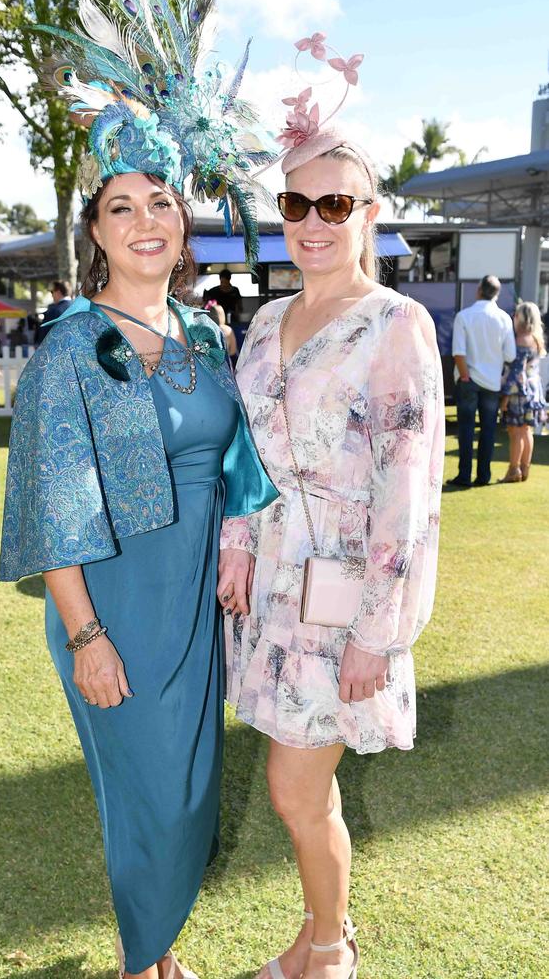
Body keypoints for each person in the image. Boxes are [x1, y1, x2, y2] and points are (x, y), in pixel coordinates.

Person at [0, 0, 277, 977]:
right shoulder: (70, 350)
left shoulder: (203, 334)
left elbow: (235, 456)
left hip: (192, 608)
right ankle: (140, 962)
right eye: (123, 206)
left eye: (160, 200)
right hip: (109, 604)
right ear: (98, 230)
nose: (146, 219)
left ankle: (156, 953)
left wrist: (238, 544)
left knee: (191, 792)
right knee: (147, 789)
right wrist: (84, 636)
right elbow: (48, 506)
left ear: (181, 215)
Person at [218, 71, 445, 979]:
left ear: (367, 212)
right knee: (296, 794)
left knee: (293, 790)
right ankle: (320, 940)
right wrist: (236, 547)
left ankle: (328, 951)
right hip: (272, 589)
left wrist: (379, 633)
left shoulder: (397, 325)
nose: (312, 220)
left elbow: (410, 492)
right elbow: (245, 454)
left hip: (346, 598)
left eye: (334, 202)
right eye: (296, 202)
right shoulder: (268, 319)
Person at [449, 275, 516, 487]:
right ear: (497, 294)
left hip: (468, 379)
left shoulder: (464, 316)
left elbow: (458, 352)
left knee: (466, 430)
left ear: (479, 290)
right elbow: (510, 355)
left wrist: (466, 375)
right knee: (487, 430)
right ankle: (483, 476)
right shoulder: (504, 318)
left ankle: (464, 475)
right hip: (491, 382)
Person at [500, 301, 547, 481]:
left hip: (519, 392)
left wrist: (504, 397)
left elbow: (516, 373)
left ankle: (514, 470)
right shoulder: (536, 339)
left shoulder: (520, 339)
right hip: (534, 391)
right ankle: (524, 469)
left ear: (521, 317)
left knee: (516, 431)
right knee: (526, 430)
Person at [35, 280, 73, 344]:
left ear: (58, 292)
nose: (52, 295)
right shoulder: (79, 308)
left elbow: (44, 334)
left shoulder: (54, 310)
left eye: (52, 292)